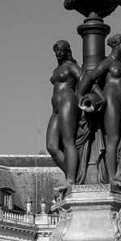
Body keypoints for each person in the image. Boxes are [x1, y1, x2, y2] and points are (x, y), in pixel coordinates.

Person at [78, 33, 121, 188]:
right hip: (111, 102)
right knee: (113, 138)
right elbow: (90, 78)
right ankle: (112, 178)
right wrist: (81, 95)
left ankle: (120, 173)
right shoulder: (107, 63)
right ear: (117, 44)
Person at [45, 40, 82, 188]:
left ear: (67, 51)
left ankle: (71, 179)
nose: (59, 53)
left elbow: (84, 79)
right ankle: (76, 175)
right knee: (51, 146)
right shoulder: (57, 69)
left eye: (61, 50)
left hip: (68, 101)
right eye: (57, 50)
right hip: (55, 108)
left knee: (68, 141)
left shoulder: (71, 66)